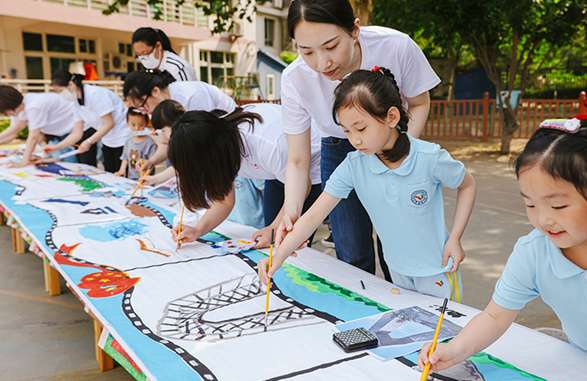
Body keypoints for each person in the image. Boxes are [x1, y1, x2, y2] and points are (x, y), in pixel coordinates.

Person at [259, 68, 476, 300]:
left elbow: (468, 185)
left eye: (361, 128)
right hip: (397, 272)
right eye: (347, 131)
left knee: (446, 334)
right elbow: (312, 217)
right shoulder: (353, 165)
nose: (355, 140)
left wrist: (454, 238)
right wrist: (277, 256)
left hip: (438, 269)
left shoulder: (429, 157)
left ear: (391, 117)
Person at [279, 0, 441, 275]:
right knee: (351, 249)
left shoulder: (395, 46)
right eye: (306, 51)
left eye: (331, 46)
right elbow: (297, 160)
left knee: (399, 245)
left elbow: (419, 103)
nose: (322, 63)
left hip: (395, 140)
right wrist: (291, 211)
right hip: (337, 148)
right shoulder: (294, 78)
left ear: (355, 30)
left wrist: (401, 153)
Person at [418, 118, 587, 371]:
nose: (543, 220)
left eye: (558, 206)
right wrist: (453, 350)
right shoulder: (534, 251)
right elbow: (495, 316)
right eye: (530, 204)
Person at [168, 103, 322, 249]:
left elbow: (302, 183)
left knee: (288, 239)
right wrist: (197, 230)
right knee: (273, 236)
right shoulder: (216, 141)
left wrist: (274, 229)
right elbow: (224, 202)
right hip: (277, 172)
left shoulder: (267, 143)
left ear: (208, 155)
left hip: (312, 167)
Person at [48, 68, 129, 172]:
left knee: (123, 174)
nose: (61, 95)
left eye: (60, 91)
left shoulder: (95, 94)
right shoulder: (76, 103)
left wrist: (89, 141)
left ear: (71, 84)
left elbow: (109, 123)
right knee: (111, 172)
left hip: (123, 137)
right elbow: (77, 134)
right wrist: (56, 147)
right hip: (108, 140)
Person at [0, 85, 76, 166]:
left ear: (10, 107)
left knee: (75, 165)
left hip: (79, 131)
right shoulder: (21, 106)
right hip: (61, 134)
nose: (6, 115)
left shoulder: (34, 106)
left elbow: (33, 137)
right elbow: (14, 129)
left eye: (5, 112)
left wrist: (24, 162)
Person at [132, 27, 196, 81]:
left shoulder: (176, 68)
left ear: (158, 46)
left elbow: (188, 94)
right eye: (138, 54)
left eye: (145, 53)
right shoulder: (148, 70)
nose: (143, 58)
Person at [115, 108, 157, 180]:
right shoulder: (128, 141)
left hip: (145, 178)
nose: (137, 128)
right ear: (127, 123)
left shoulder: (150, 142)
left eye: (141, 125)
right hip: (130, 177)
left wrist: (145, 176)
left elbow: (152, 162)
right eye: (133, 125)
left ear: (146, 123)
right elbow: (125, 158)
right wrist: (122, 170)